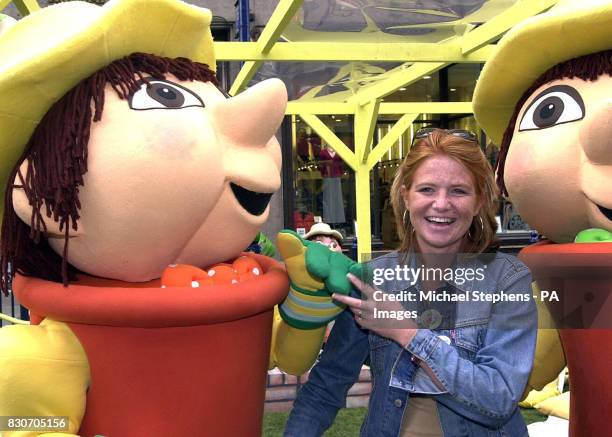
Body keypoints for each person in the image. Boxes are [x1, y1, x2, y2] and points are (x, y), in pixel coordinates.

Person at [284, 129, 537, 436]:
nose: (441, 204)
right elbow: (325, 388)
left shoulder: (507, 279)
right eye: (427, 189)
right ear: (406, 195)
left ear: (479, 200)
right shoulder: (373, 279)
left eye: (459, 191)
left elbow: (497, 400)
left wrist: (406, 331)